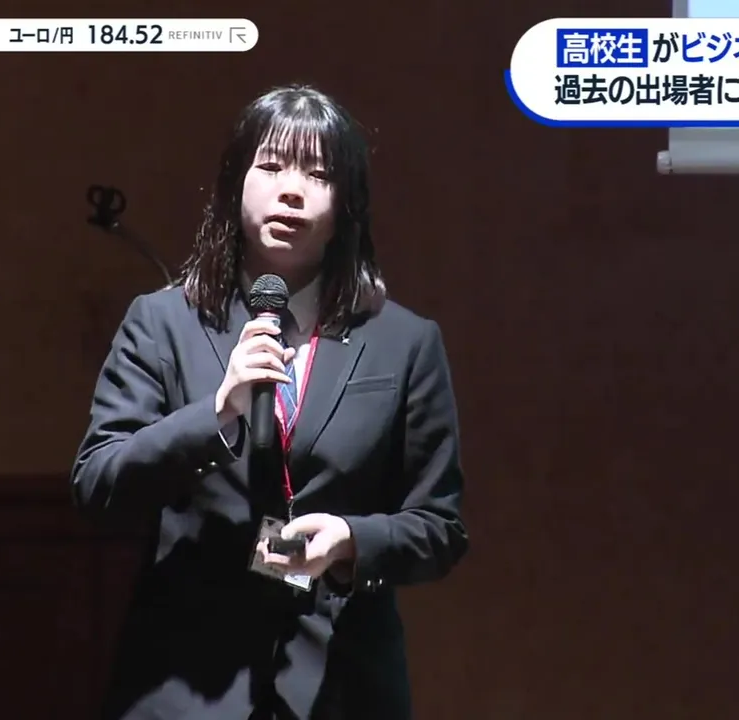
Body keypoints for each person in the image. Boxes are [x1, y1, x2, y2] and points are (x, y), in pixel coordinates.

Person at [70, 84, 468, 720]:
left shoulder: (404, 342)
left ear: (347, 204)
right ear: (235, 184)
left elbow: (440, 528)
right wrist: (216, 412)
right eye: (273, 166)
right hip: (187, 685)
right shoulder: (162, 323)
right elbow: (98, 485)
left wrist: (350, 540)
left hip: (342, 686)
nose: (292, 191)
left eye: (318, 174)